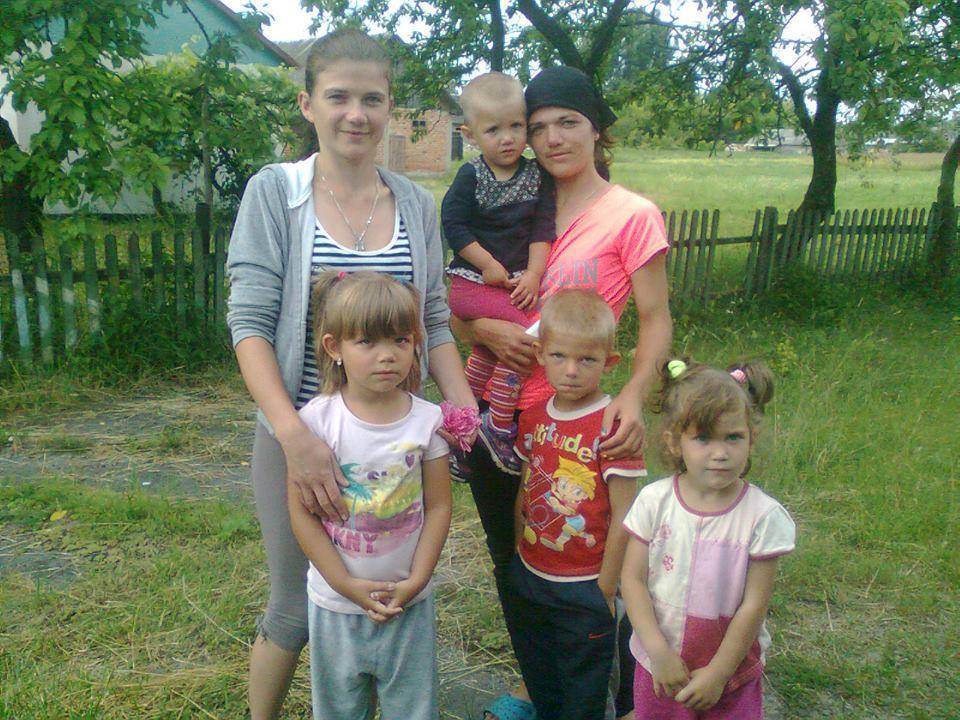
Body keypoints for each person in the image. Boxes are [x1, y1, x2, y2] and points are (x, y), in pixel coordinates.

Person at [226, 29, 475, 720]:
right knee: (295, 607)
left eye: (372, 99)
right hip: (300, 435)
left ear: (391, 106)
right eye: (338, 97)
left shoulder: (415, 204)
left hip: (392, 444)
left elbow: (433, 322)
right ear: (308, 105)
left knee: (390, 590)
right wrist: (295, 439)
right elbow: (249, 324)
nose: (356, 114)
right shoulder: (275, 193)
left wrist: (461, 411)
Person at [451, 66, 673, 720]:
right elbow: (462, 300)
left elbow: (656, 318)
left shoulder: (631, 215)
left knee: (603, 569)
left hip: (580, 425)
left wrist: (634, 395)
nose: (552, 139)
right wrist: (480, 328)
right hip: (505, 423)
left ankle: (612, 699)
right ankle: (544, 694)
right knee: (517, 564)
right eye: (540, 126)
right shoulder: (515, 196)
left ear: (596, 128)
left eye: (568, 122)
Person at [289, 271, 451, 720]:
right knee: (339, 709)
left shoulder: (427, 421)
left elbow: (439, 507)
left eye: (400, 340)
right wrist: (344, 585)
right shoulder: (315, 423)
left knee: (413, 709)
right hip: (335, 605)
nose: (387, 355)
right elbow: (301, 516)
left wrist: (417, 580)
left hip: (408, 604)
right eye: (367, 342)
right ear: (333, 347)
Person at [620, 359, 796, 719]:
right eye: (703, 438)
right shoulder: (654, 502)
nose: (720, 453)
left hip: (729, 675)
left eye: (733, 437)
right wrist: (658, 653)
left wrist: (719, 673)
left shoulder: (762, 517)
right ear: (675, 442)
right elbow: (632, 581)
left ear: (751, 438)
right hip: (662, 668)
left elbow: (754, 605)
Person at [507, 289, 647, 720]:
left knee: (585, 692)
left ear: (609, 362)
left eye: (587, 359)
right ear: (540, 354)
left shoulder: (613, 427)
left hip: (586, 584)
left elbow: (627, 515)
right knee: (543, 677)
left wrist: (605, 587)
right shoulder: (533, 417)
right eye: (559, 356)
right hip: (533, 575)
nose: (571, 371)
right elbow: (526, 488)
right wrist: (517, 552)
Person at [441, 72, 554, 476]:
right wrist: (486, 263)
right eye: (493, 130)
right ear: (470, 135)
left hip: (511, 284)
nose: (507, 138)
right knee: (528, 333)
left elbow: (542, 227)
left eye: (516, 126)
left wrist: (535, 274)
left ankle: (460, 423)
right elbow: (453, 225)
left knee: (490, 351)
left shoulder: (535, 176)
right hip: (472, 283)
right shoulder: (472, 175)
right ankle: (499, 426)